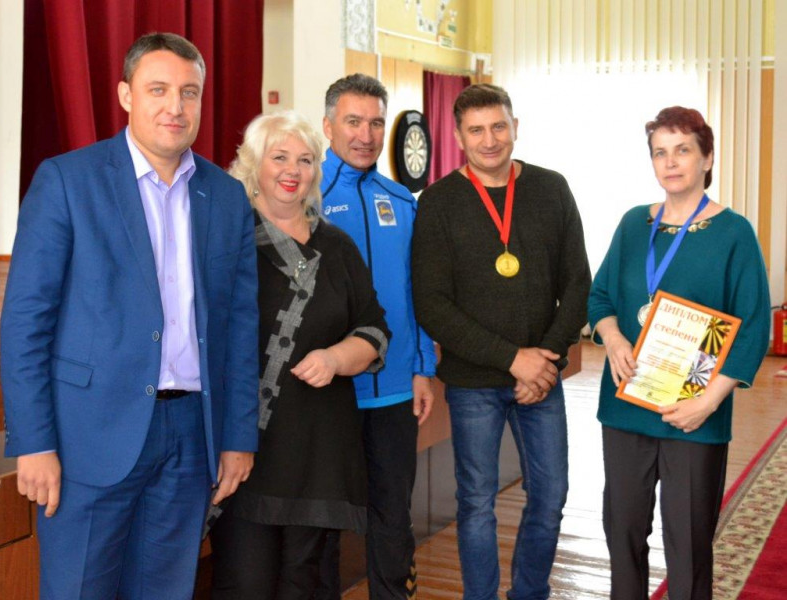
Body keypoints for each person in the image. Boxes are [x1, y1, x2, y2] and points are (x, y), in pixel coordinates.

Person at [0, 33, 260, 599]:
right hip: (86, 436)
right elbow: (25, 322)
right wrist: (34, 442)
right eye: (158, 89)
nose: (175, 107)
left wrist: (238, 436)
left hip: (191, 438)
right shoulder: (68, 181)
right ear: (125, 95)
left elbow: (240, 330)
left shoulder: (227, 196)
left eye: (189, 92)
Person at [411, 83, 591, 600]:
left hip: (543, 380)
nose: (489, 140)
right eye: (476, 130)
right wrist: (514, 360)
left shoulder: (551, 188)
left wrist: (545, 362)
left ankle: (530, 593)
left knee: (550, 496)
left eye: (498, 127)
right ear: (457, 136)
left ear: (515, 127)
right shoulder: (438, 202)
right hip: (473, 383)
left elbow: (578, 283)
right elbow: (432, 304)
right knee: (476, 503)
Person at [588, 106, 770, 600]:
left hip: (694, 413)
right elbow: (600, 297)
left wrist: (706, 403)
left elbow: (754, 327)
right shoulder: (633, 224)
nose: (670, 163)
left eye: (682, 150)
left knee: (688, 544)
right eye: (659, 153)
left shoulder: (733, 233)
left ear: (706, 158)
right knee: (622, 532)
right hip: (626, 407)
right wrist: (614, 338)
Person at [209, 110, 390, 599]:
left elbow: (375, 328)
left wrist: (335, 359)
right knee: (245, 584)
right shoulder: (225, 241)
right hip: (247, 447)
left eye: (306, 160)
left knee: (305, 583)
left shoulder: (338, 246)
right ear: (254, 164)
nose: (293, 170)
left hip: (320, 451)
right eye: (280, 157)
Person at [316, 73, 437, 599]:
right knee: (321, 522)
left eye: (375, 123)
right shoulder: (304, 196)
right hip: (326, 392)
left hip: (393, 390)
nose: (365, 135)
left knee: (392, 516)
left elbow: (416, 291)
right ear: (328, 126)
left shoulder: (403, 201)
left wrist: (423, 369)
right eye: (353, 122)